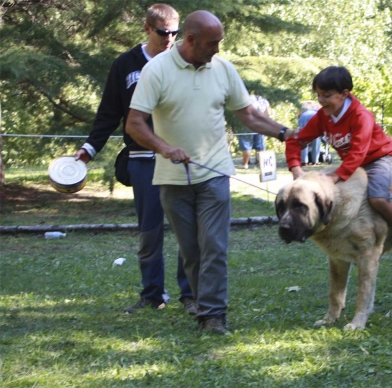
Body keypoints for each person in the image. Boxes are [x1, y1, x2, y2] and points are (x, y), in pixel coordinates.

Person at [126, 10, 294, 334]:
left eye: (219, 42)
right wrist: (165, 148)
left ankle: (213, 316)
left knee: (214, 245)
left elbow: (249, 114)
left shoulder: (223, 69)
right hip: (173, 179)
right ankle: (204, 308)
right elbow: (134, 123)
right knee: (191, 252)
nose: (217, 49)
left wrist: (286, 133)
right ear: (190, 40)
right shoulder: (156, 70)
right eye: (211, 43)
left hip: (215, 172)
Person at [74, 4, 196, 315]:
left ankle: (190, 294)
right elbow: (109, 113)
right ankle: (153, 294)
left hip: (179, 158)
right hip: (142, 158)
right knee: (149, 231)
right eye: (162, 32)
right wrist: (89, 148)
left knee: (187, 229)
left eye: (174, 32)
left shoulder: (184, 60)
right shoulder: (125, 64)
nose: (169, 38)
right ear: (147, 28)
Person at [285, 66, 392, 267]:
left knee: (378, 197)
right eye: (318, 95)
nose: (321, 100)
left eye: (327, 95)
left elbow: (358, 152)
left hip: (378, 159)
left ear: (344, 94)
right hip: (353, 163)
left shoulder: (360, 116)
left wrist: (335, 177)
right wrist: (296, 168)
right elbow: (296, 140)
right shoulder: (323, 116)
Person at [238, 94, 270, 169]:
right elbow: (268, 113)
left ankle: (245, 164)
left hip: (247, 124)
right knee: (259, 145)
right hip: (260, 124)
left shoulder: (246, 98)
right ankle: (261, 163)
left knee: (246, 145)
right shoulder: (264, 100)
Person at [298, 101, 322, 166]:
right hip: (315, 118)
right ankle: (315, 161)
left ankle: (304, 161)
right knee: (316, 142)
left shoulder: (303, 111)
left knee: (303, 140)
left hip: (304, 119)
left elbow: (299, 121)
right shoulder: (317, 110)